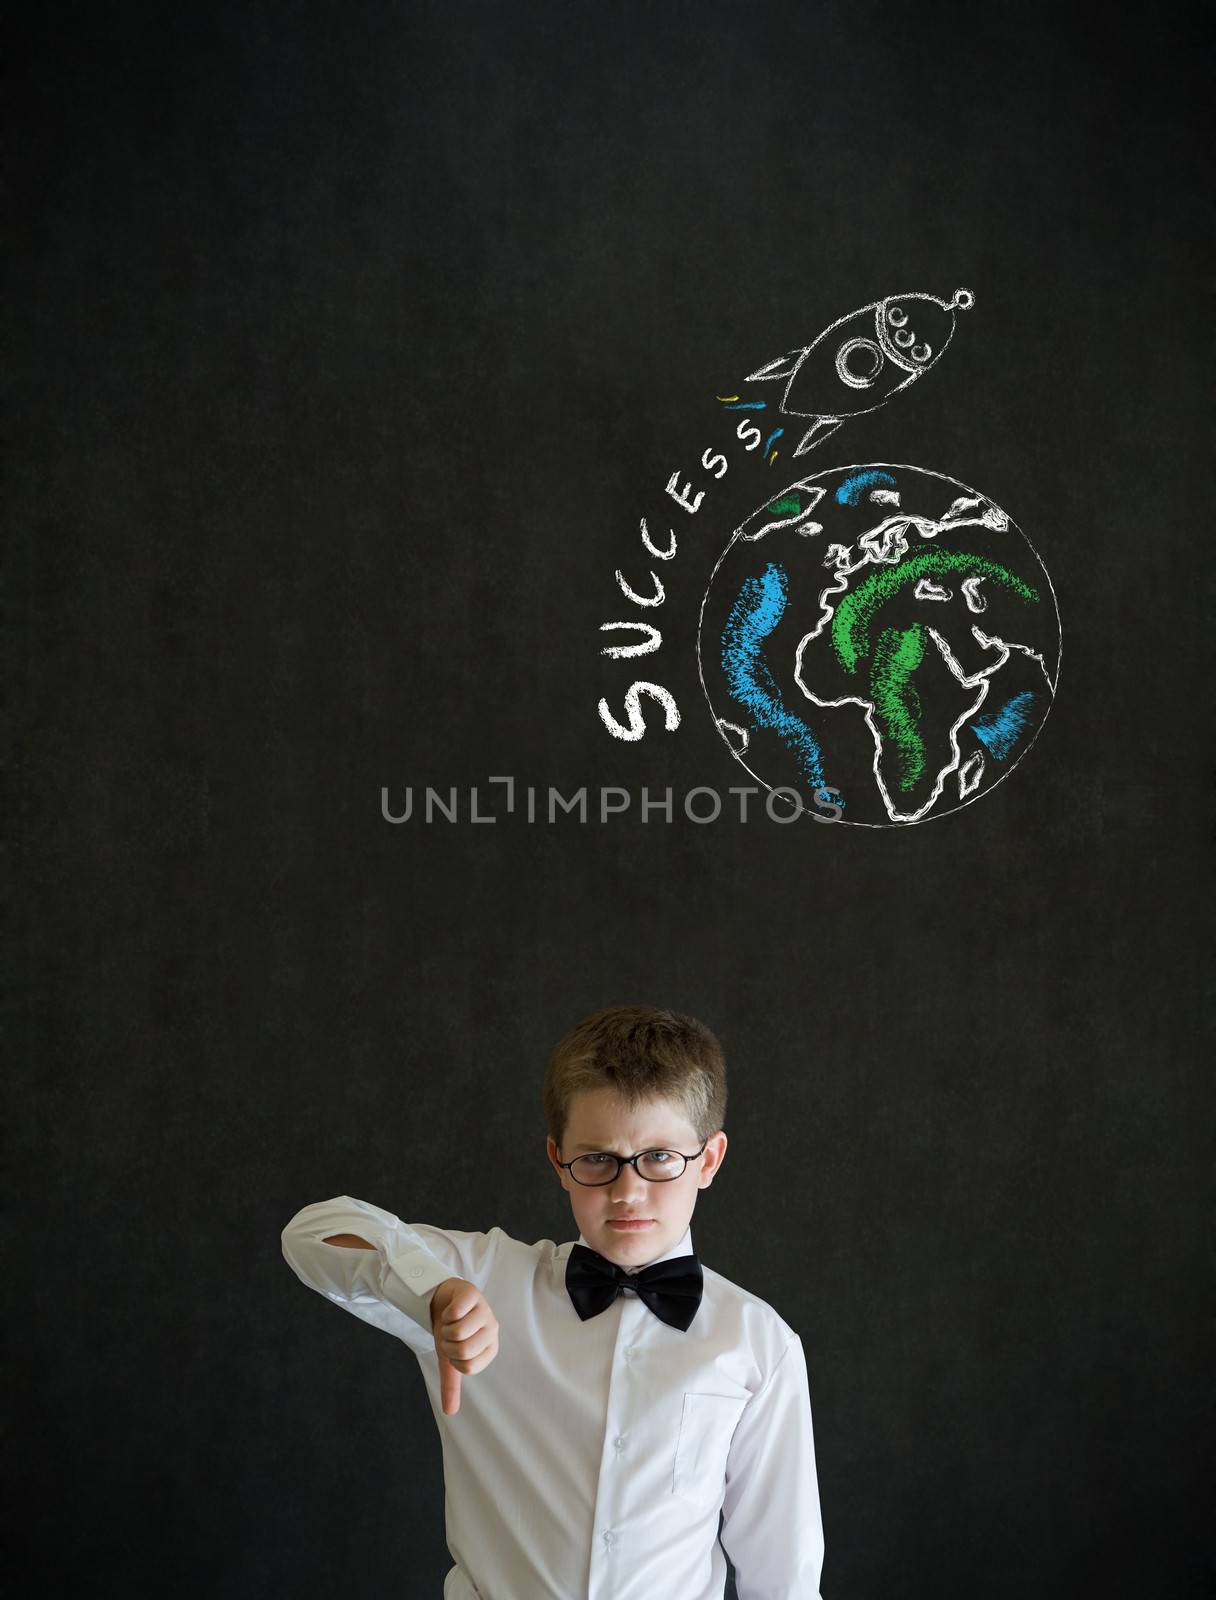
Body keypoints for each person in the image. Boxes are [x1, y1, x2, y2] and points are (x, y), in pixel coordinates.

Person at [280, 1004, 826, 1598]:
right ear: (557, 1162)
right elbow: (311, 1235)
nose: (627, 1192)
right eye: (597, 1159)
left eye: (660, 1158)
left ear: (710, 1160)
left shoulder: (758, 1342)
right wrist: (430, 1291)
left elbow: (784, 1578)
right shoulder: (486, 1279)